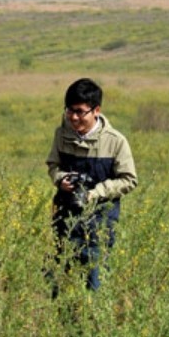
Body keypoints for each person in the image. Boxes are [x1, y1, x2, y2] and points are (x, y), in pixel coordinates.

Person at [46, 78, 137, 294]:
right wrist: (61, 179)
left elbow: (129, 179)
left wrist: (95, 193)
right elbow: (53, 165)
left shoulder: (116, 141)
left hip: (99, 225)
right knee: (58, 288)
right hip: (65, 223)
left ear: (96, 110)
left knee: (94, 289)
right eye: (69, 110)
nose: (73, 117)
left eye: (80, 111)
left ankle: (92, 326)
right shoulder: (61, 135)